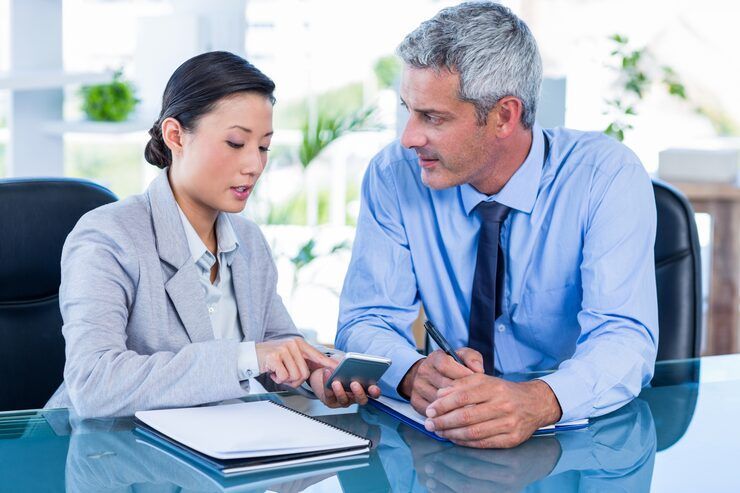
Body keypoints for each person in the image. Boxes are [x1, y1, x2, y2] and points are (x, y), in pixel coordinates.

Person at [336, 2, 658, 448]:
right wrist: (412, 373)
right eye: (408, 109)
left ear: (505, 116)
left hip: (573, 448)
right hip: (447, 443)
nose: (408, 137)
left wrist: (538, 401)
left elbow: (624, 338)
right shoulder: (396, 175)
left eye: (433, 117)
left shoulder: (605, 177)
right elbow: (365, 319)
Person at [46, 51, 377, 418]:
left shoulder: (247, 241)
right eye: (236, 143)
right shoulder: (108, 237)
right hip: (114, 458)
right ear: (175, 135)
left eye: (264, 146)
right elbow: (94, 385)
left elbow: (277, 344)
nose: (254, 165)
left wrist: (314, 373)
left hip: (223, 447)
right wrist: (246, 357)